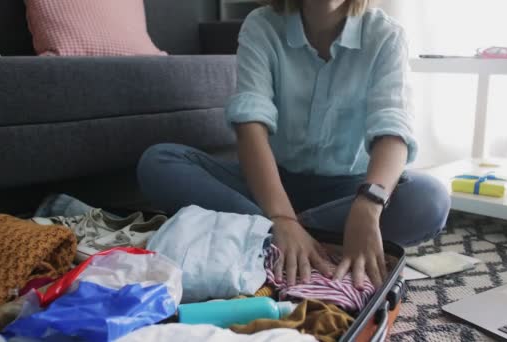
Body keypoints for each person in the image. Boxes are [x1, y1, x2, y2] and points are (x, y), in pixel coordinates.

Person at [138, 0, 450, 289]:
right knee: (158, 162)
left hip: (349, 195)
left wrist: (367, 208)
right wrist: (280, 217)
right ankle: (292, 235)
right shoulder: (261, 26)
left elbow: (393, 129)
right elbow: (251, 128)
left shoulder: (386, 34)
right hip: (269, 186)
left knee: (430, 198)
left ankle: (273, 235)